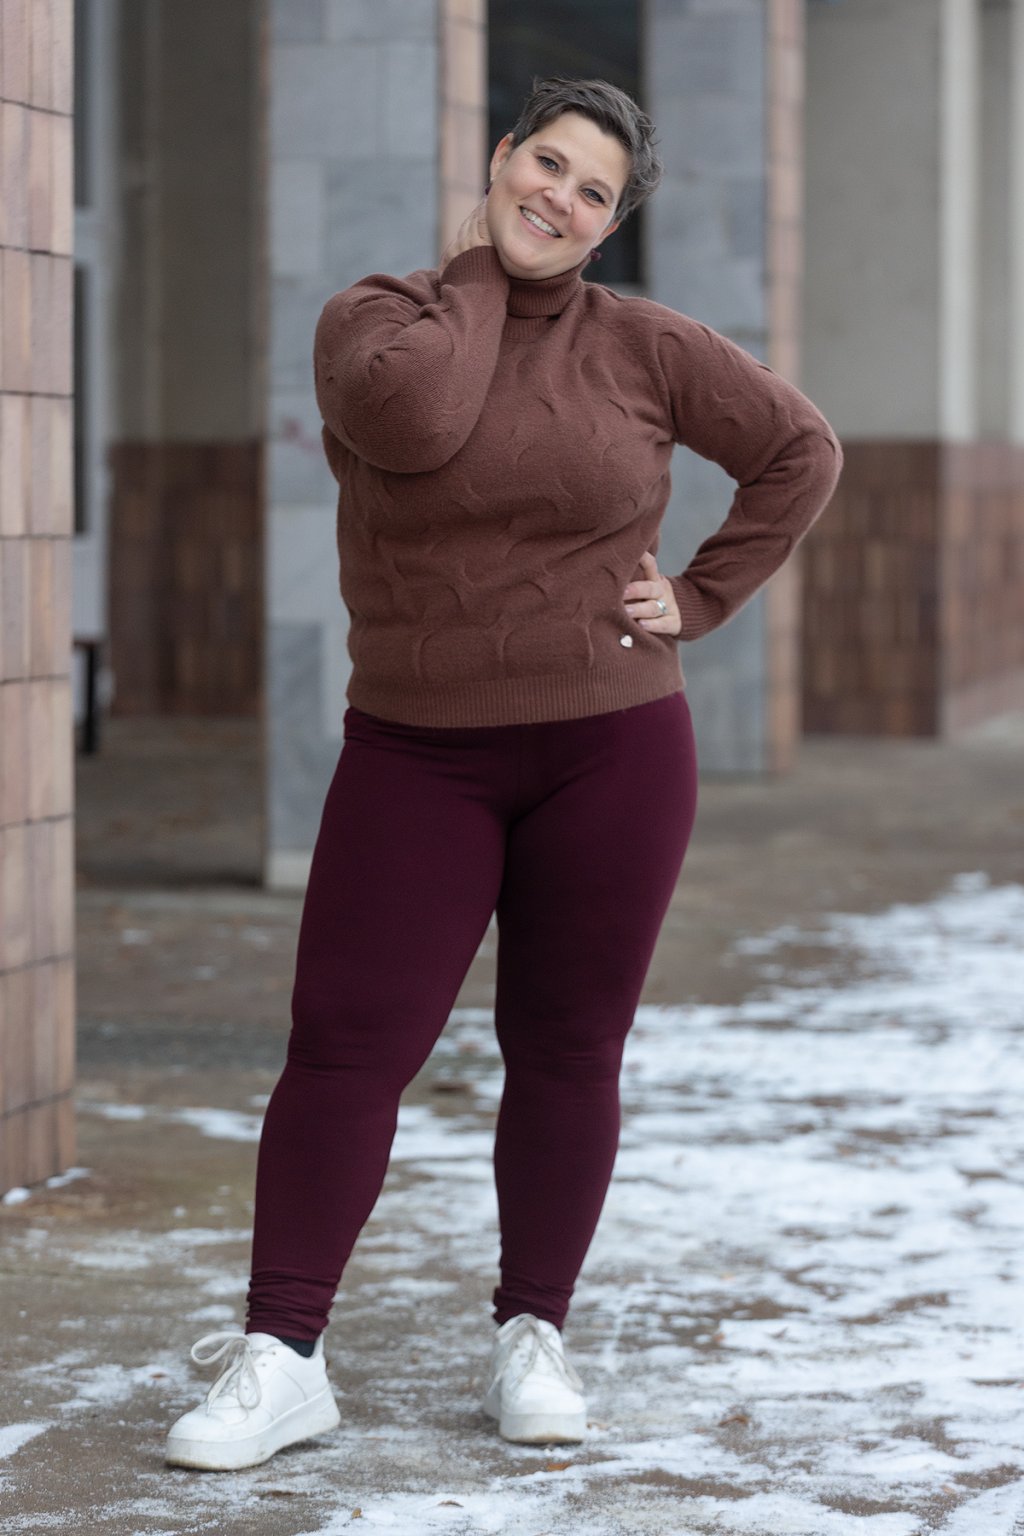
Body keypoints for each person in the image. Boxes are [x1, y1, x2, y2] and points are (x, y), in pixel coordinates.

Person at [165, 76, 843, 1471]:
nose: (561, 200)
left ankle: (533, 1331)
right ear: (500, 157)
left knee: (569, 1047)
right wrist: (482, 272)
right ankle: (283, 1356)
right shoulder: (376, 319)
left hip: (615, 746)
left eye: (595, 194)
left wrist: (702, 596)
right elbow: (418, 426)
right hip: (417, 751)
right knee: (347, 1046)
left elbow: (800, 451)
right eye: (548, 165)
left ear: (611, 225)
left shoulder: (646, 344)